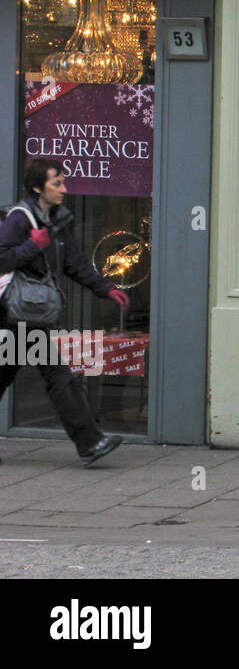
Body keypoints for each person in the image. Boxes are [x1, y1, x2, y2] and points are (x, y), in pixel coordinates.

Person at [0, 159, 130, 467]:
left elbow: (75, 263)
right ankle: (90, 442)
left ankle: (90, 442)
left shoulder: (56, 220)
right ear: (37, 187)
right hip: (15, 312)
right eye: (56, 183)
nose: (64, 189)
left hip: (25, 314)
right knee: (59, 376)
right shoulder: (20, 219)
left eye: (63, 182)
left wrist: (106, 288)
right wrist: (33, 247)